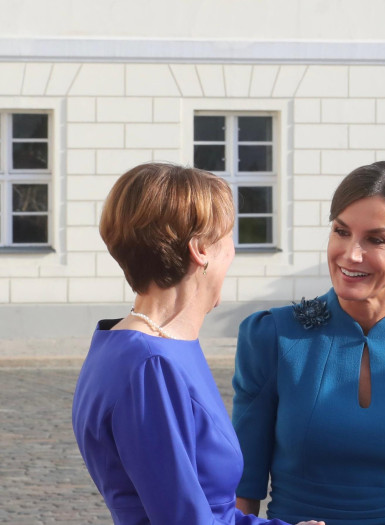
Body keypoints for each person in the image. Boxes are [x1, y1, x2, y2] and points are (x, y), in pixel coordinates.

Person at [71, 163, 324, 525]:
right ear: (200, 250)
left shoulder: (140, 344)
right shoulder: (151, 365)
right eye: (228, 237)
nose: (232, 252)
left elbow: (208, 509)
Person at [232, 161, 385, 525]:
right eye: (341, 231)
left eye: (376, 239)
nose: (351, 254)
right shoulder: (272, 337)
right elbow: (242, 491)